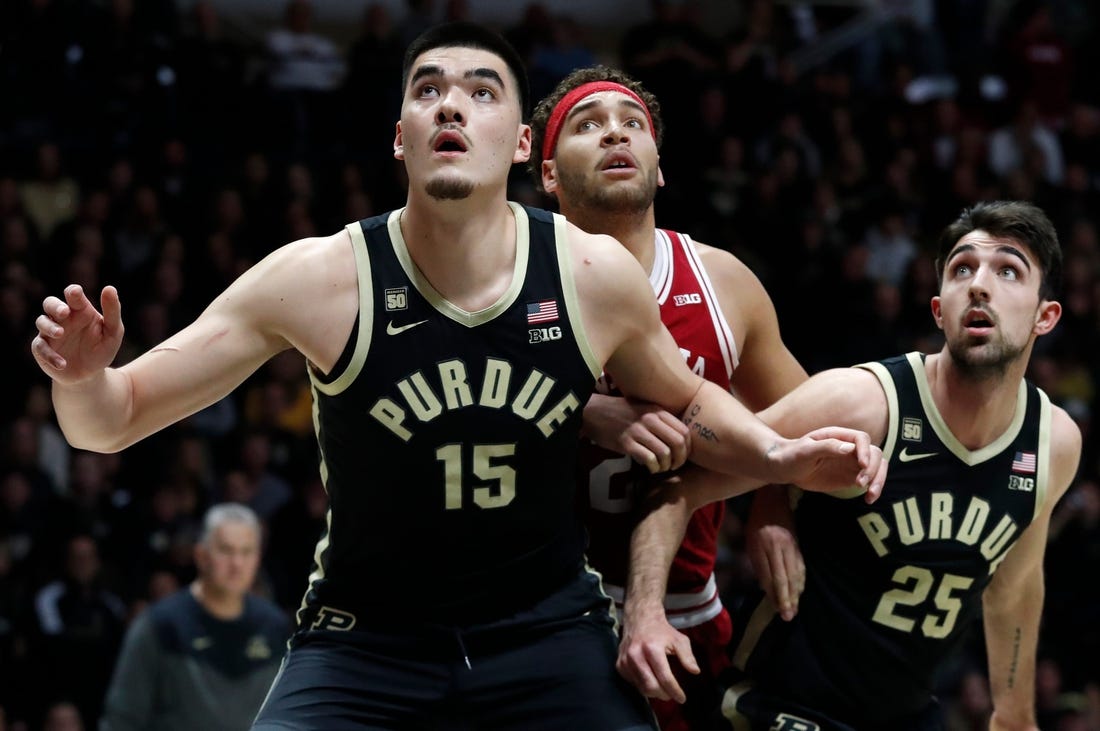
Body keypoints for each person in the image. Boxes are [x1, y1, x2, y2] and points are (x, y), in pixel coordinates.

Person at [31, 22, 882, 730]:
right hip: (366, 639)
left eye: (481, 91)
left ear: (518, 145)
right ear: (399, 137)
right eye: (428, 89)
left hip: (546, 631)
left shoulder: (589, 275)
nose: (451, 103)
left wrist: (781, 457)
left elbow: (693, 399)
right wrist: (81, 379)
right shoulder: (319, 277)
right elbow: (112, 419)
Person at [617, 200, 1082, 731]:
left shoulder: (1054, 442)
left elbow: (1016, 584)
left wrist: (1015, 716)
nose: (979, 285)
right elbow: (677, 490)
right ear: (938, 309)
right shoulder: (861, 403)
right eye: (961, 269)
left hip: (905, 713)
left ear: (1046, 316)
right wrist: (645, 611)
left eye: (1007, 270)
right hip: (783, 703)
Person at [529, 65, 809, 730]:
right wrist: (582, 414)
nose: (614, 133)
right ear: (547, 175)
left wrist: (774, 499)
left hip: (687, 618)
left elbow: (806, 412)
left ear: (658, 169)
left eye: (632, 125)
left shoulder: (723, 281)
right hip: (540, 615)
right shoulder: (510, 282)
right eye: (587, 124)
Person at [100, 503, 289, 731]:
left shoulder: (275, 627)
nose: (237, 564)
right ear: (201, 555)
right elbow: (122, 718)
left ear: (257, 558)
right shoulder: (159, 626)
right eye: (226, 550)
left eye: (246, 551)